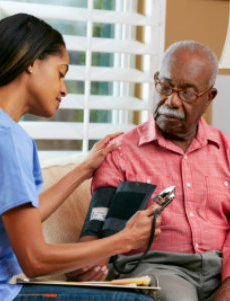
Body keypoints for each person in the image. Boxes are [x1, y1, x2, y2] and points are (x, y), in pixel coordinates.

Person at [0, 13, 162, 301]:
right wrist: (123, 240)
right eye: (61, 73)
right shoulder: (3, 136)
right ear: (31, 62)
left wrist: (84, 168)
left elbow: (26, 217)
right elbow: (34, 260)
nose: (64, 89)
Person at [69, 40, 230, 301]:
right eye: (165, 87)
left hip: (222, 268)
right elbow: (95, 228)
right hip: (162, 270)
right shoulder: (120, 152)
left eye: (187, 93)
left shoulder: (226, 150)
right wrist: (83, 262)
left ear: (208, 98)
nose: (172, 101)